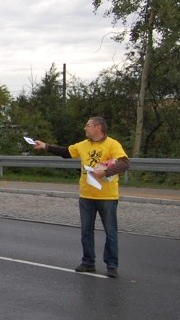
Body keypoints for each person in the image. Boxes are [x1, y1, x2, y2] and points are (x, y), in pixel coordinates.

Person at [34, 117, 130, 278]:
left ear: (98, 127)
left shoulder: (112, 144)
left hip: (107, 196)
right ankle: (88, 262)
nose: (85, 128)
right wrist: (45, 146)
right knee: (86, 231)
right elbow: (66, 152)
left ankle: (112, 265)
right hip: (86, 195)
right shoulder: (83, 145)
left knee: (110, 232)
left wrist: (105, 172)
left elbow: (124, 163)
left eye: (88, 125)